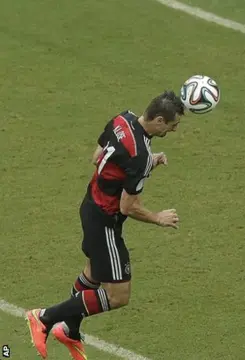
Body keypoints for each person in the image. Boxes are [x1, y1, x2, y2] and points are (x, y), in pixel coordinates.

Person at [26, 90, 184, 359]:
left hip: (89, 205)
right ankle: (44, 317)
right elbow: (127, 206)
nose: (173, 130)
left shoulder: (123, 119)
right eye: (172, 125)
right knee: (118, 295)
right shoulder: (140, 156)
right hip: (105, 223)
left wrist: (146, 162)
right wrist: (159, 217)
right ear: (159, 120)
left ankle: (69, 332)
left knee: (92, 274)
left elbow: (98, 156)